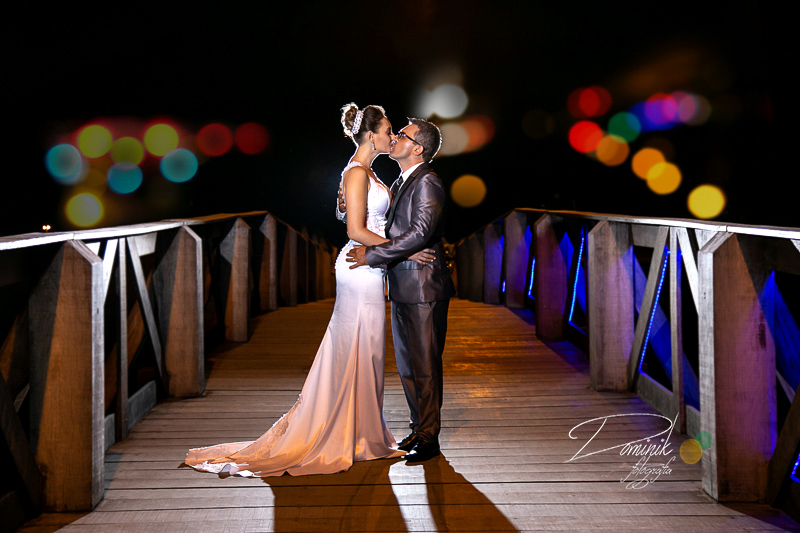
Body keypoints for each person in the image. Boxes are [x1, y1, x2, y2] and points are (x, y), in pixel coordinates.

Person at [184, 103, 430, 477]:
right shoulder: (358, 172)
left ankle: (360, 433)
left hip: (370, 266)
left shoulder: (365, 172)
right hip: (359, 268)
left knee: (364, 351)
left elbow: (356, 216)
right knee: (357, 348)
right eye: (387, 130)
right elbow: (355, 231)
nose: (392, 136)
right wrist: (407, 248)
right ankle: (344, 435)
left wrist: (355, 217)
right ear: (371, 135)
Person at [345, 117, 456, 463]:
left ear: (418, 148)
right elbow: (394, 230)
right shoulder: (401, 180)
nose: (394, 138)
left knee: (425, 366)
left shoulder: (428, 182)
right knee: (408, 366)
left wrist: (371, 255)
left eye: (403, 136)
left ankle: (429, 438)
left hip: (424, 288)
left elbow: (421, 233)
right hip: (402, 284)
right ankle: (418, 428)